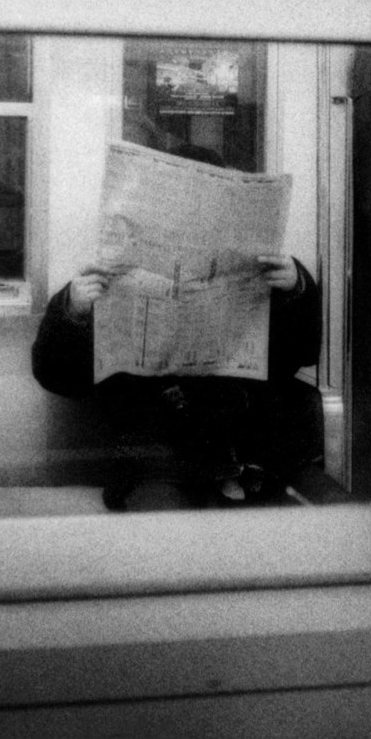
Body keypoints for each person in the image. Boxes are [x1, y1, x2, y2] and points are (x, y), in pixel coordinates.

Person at [31, 147, 323, 511]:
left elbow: (302, 354)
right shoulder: (109, 278)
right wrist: (73, 309)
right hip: (155, 457)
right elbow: (55, 375)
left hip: (246, 452)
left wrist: (297, 288)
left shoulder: (262, 271)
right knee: (167, 526)